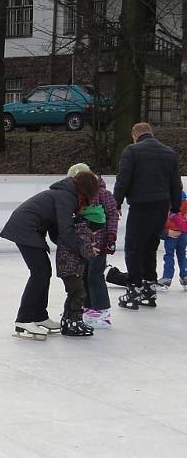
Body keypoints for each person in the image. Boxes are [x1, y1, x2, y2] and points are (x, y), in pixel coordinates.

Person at [0, 171, 100, 339]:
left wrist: (69, 247)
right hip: (26, 229)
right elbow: (65, 231)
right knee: (39, 273)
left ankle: (40, 316)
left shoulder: (65, 194)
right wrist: (84, 249)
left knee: (43, 272)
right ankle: (23, 320)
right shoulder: (66, 197)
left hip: (30, 229)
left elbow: (57, 231)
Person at [113, 122, 182, 310]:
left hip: (141, 206)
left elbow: (123, 179)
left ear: (135, 136)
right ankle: (149, 288)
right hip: (161, 207)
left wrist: (115, 203)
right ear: (151, 134)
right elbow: (176, 184)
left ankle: (134, 289)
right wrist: (175, 207)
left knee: (134, 247)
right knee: (150, 247)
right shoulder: (169, 153)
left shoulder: (132, 151)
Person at [66, 164, 119, 330]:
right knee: (84, 276)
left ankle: (102, 311)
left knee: (95, 276)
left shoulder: (104, 194)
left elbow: (112, 215)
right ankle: (88, 308)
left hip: (101, 243)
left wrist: (111, 237)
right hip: (85, 244)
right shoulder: (79, 196)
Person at [56, 204, 104, 337]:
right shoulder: (83, 232)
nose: (95, 233)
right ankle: (74, 320)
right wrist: (92, 251)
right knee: (79, 293)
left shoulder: (77, 229)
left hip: (69, 268)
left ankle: (67, 320)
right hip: (72, 268)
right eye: (96, 229)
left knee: (73, 293)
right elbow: (84, 250)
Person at [158, 191, 187, 290]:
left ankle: (167, 277)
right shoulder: (185, 201)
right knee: (182, 254)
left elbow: (162, 217)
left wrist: (165, 231)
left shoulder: (167, 199)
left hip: (171, 233)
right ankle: (185, 275)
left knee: (169, 255)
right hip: (183, 234)